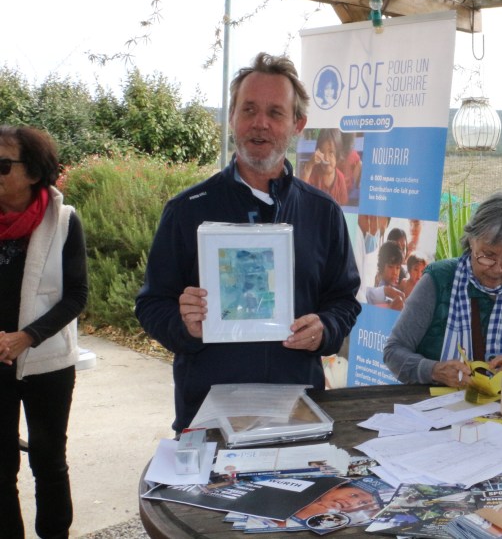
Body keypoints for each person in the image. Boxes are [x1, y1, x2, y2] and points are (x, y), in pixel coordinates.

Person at [135, 52, 361, 433]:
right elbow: (151, 304)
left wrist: (325, 328)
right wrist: (184, 324)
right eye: (248, 109)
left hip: (297, 409)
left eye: (275, 113)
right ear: (232, 118)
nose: (260, 123)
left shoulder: (322, 212)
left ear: (297, 124)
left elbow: (344, 301)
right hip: (208, 415)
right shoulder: (187, 210)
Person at [0, 125, 88, 539]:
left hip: (47, 363)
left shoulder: (64, 222)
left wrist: (26, 336)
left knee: (49, 461)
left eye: (3, 165)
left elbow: (75, 296)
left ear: (34, 172)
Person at [383, 190, 502, 387]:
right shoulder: (439, 280)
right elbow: (394, 352)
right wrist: (435, 370)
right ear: (472, 240)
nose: (497, 269)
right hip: (433, 406)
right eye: (488, 255)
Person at [299, 128, 348, 206]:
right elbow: (300, 192)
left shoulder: (340, 178)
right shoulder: (313, 173)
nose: (326, 158)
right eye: (322, 152)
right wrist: (309, 166)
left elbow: (344, 205)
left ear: (337, 154)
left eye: (331, 152)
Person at [365, 240, 406, 310]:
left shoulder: (394, 287)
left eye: (398, 268)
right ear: (381, 267)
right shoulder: (382, 287)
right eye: (390, 267)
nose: (395, 272)